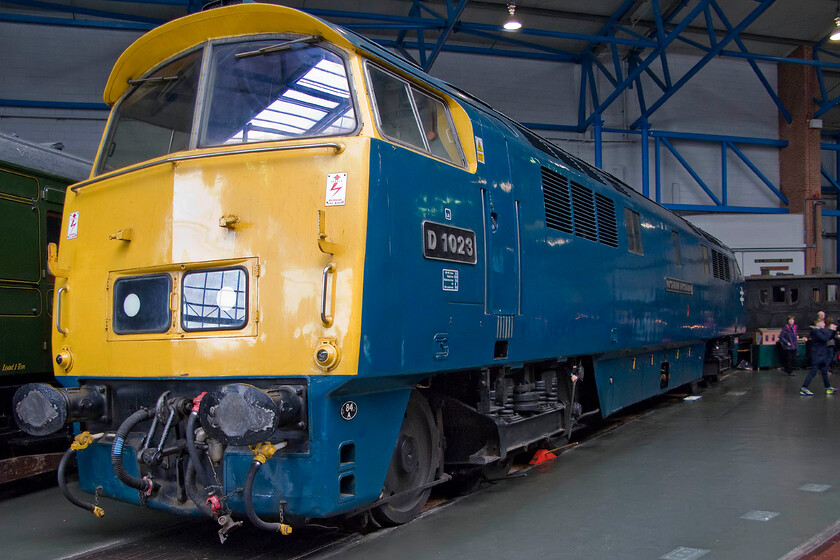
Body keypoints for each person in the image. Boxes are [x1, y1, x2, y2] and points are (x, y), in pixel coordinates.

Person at [800, 318, 838, 396]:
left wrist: (833, 331)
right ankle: (804, 388)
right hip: (817, 355)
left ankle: (828, 387)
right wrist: (830, 330)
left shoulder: (820, 331)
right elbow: (824, 338)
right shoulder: (815, 332)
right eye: (822, 323)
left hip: (821, 355)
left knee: (824, 371)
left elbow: (829, 337)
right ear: (817, 324)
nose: (824, 324)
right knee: (813, 372)